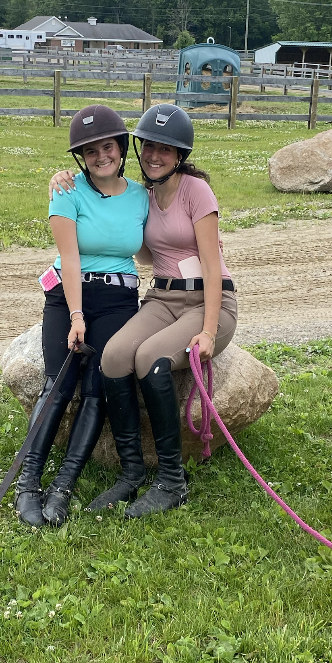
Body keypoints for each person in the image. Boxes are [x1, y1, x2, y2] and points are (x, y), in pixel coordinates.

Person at [49, 103, 238, 519]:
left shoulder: (196, 191)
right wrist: (64, 179)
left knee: (150, 361)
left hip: (210, 298)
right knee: (114, 358)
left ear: (180, 156)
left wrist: (207, 332)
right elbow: (124, 226)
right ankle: (132, 470)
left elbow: (211, 263)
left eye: (165, 150)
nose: (155, 155)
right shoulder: (144, 195)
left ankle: (172, 481)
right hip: (164, 297)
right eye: (149, 147)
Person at [14, 104, 149, 529]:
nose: (99, 156)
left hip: (118, 299)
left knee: (98, 386)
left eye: (106, 147)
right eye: (90, 151)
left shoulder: (141, 196)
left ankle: (65, 484)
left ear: (121, 148)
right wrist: (75, 315)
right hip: (69, 295)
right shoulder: (66, 190)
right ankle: (29, 481)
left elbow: (153, 246)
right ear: (81, 158)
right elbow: (69, 259)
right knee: (59, 381)